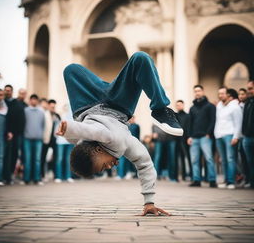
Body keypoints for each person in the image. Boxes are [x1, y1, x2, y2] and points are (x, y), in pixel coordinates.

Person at [57, 51, 183, 216]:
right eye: (105, 169)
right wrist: (149, 202)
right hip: (117, 103)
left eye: (103, 166)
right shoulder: (125, 145)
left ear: (97, 151)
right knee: (140, 59)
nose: (109, 167)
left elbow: (89, 131)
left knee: (71, 70)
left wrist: (70, 129)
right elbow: (145, 165)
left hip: (88, 103)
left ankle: (159, 109)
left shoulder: (106, 138)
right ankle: (158, 107)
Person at [187, 85, 217, 188]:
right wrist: (189, 136)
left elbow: (213, 120)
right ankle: (196, 180)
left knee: (209, 158)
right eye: (195, 91)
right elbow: (190, 123)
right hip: (194, 138)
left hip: (205, 137)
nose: (197, 93)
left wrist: (209, 133)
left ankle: (212, 180)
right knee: (194, 160)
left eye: (199, 91)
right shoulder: (192, 108)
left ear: (203, 92)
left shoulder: (210, 106)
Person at [214, 88, 243, 189]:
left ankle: (231, 181)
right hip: (219, 136)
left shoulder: (235, 107)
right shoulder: (219, 106)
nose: (220, 95)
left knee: (231, 159)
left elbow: (238, 123)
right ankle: (226, 180)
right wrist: (216, 133)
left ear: (228, 95)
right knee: (224, 160)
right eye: (219, 93)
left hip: (230, 135)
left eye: (222, 93)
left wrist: (236, 136)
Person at [4, 85, 25, 184]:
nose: (7, 92)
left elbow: (20, 120)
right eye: (6, 90)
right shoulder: (2, 102)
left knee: (13, 155)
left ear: (12, 92)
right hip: (3, 133)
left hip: (15, 134)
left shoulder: (17, 104)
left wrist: (15, 132)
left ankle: (9, 176)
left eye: (9, 91)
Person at [23, 94, 45, 185]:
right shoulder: (25, 110)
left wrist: (41, 135)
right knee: (27, 159)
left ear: (37, 101)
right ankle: (26, 179)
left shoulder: (41, 112)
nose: (34, 101)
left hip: (38, 139)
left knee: (37, 159)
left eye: (35, 100)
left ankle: (36, 178)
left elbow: (43, 125)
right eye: (32, 99)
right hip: (27, 138)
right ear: (30, 100)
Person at [41, 99, 61, 179]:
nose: (53, 108)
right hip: (46, 139)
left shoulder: (57, 115)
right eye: (51, 106)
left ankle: (55, 175)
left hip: (55, 140)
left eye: (54, 107)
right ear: (48, 106)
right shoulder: (44, 114)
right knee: (43, 157)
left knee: (56, 158)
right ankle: (42, 175)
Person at [54, 104, 74, 183]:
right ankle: (58, 176)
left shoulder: (72, 117)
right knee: (60, 159)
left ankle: (68, 176)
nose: (67, 108)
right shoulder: (61, 116)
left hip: (69, 141)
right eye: (65, 107)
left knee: (68, 159)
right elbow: (56, 130)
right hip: (60, 141)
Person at [175, 100, 192, 181]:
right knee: (179, 158)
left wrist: (189, 137)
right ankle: (183, 176)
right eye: (177, 105)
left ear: (183, 105)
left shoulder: (187, 116)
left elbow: (188, 127)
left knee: (188, 157)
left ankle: (191, 175)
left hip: (185, 139)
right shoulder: (175, 116)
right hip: (177, 140)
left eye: (180, 105)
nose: (178, 106)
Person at [242, 80, 254, 189]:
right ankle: (251, 181)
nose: (248, 91)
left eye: (250, 88)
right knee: (249, 161)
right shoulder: (248, 102)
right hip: (247, 136)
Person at [0, 89, 10, 186]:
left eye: (2, 95)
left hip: (1, 137)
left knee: (0, 157)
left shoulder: (5, 107)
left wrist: (9, 132)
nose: (0, 97)